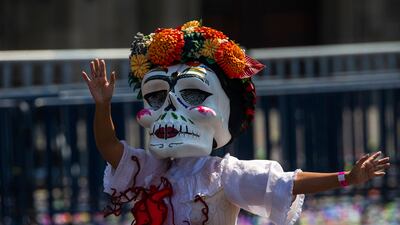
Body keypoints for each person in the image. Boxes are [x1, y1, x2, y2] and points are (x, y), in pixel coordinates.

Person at [81, 20, 390, 225]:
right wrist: (102, 106)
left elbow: (286, 182)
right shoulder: (152, 171)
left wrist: (346, 178)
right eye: (157, 97)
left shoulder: (223, 175)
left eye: (191, 93)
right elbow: (109, 146)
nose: (169, 109)